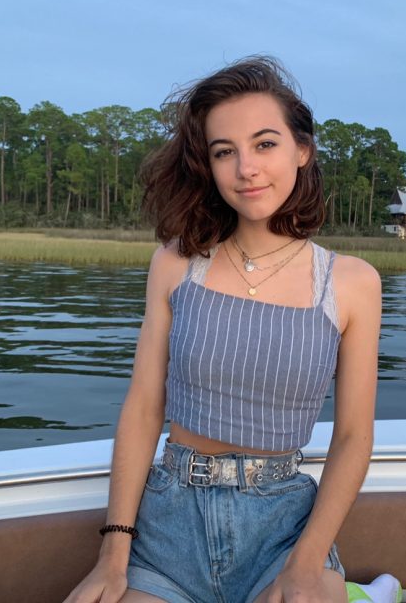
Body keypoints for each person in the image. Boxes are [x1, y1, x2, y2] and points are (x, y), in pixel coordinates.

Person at [64, 56, 381, 603]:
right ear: (207, 166)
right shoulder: (175, 263)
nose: (246, 169)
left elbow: (353, 436)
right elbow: (143, 408)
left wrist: (305, 564)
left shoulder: (351, 282)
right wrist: (112, 556)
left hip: (283, 526)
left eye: (264, 144)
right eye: (223, 152)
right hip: (168, 524)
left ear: (301, 151)